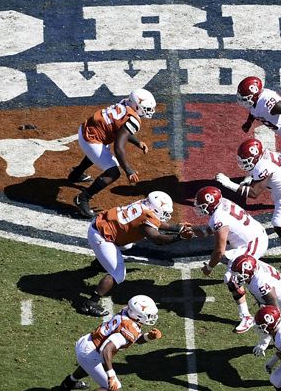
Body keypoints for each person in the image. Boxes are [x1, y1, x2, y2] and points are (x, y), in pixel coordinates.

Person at [80, 191, 192, 317]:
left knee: (127, 245)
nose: (167, 215)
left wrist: (176, 228)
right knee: (118, 274)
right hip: (101, 236)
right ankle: (90, 303)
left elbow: (154, 221)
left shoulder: (144, 204)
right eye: (165, 213)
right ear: (155, 208)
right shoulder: (147, 217)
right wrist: (179, 237)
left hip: (102, 225)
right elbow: (157, 239)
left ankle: (99, 263)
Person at [61, 295, 163, 391]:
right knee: (114, 390)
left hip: (87, 341)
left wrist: (149, 337)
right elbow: (106, 350)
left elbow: (134, 337)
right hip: (91, 353)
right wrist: (111, 375)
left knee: (94, 363)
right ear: (137, 314)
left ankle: (70, 382)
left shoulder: (127, 313)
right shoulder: (129, 327)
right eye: (149, 314)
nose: (151, 317)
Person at [215, 137, 281, 269]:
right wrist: (248, 179)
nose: (244, 163)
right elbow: (256, 173)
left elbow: (254, 193)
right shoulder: (263, 156)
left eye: (247, 161)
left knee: (279, 224)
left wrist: (228, 184)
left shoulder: (262, 166)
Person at [69, 89, 156, 218]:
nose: (149, 111)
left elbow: (119, 130)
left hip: (85, 129)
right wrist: (128, 170)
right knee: (113, 172)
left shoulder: (125, 103)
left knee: (100, 151)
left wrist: (137, 142)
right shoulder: (133, 119)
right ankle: (82, 199)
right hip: (91, 139)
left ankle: (75, 175)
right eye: (146, 108)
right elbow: (119, 147)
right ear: (136, 106)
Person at [194, 185, 270, 332]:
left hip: (253, 243)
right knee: (229, 261)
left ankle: (246, 317)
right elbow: (210, 230)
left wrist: (209, 268)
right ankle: (254, 270)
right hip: (253, 235)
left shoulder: (218, 217)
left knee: (231, 279)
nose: (198, 207)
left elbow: (219, 251)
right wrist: (194, 232)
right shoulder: (222, 204)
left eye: (201, 205)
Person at [227, 254, 281, 357]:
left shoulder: (260, 283)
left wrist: (264, 341)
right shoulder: (255, 272)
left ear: (248, 272)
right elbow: (264, 303)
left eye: (238, 274)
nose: (235, 276)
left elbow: (274, 311)